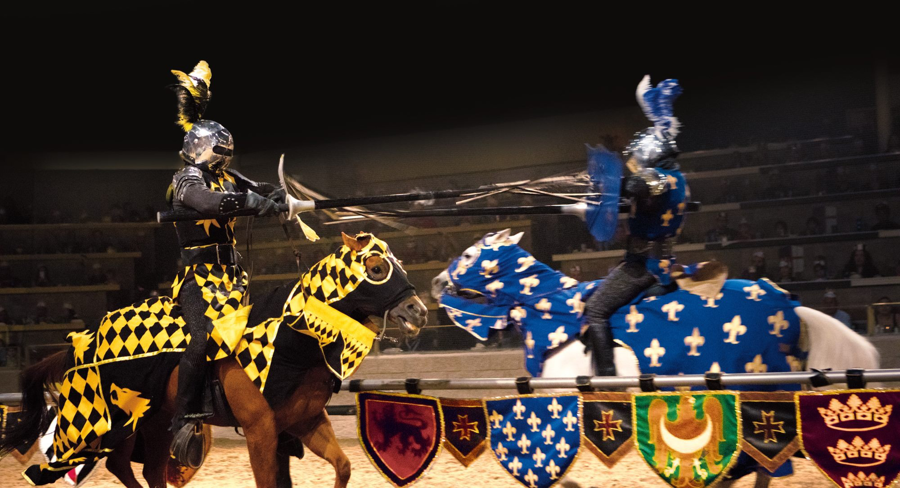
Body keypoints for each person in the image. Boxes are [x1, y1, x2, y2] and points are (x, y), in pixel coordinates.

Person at [165, 61, 284, 467]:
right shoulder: (186, 180)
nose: (223, 159)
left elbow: (259, 188)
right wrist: (250, 202)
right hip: (198, 279)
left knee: (256, 337)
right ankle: (183, 419)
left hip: (232, 279)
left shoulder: (226, 176)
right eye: (218, 153)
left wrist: (279, 197)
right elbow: (206, 203)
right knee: (201, 340)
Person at [584, 75, 689, 377]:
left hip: (644, 266)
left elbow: (636, 185)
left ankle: (607, 381)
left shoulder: (659, 178)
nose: (636, 161)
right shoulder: (679, 178)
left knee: (596, 309)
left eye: (639, 157)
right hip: (660, 261)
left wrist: (608, 181)